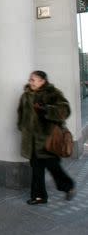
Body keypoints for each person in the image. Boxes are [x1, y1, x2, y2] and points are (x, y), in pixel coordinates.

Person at [17, 70, 76, 205]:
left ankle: (68, 186)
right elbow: (21, 113)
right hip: (32, 141)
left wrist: (46, 109)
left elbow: (65, 111)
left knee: (53, 166)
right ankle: (39, 197)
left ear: (43, 81)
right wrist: (22, 126)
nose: (30, 81)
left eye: (34, 79)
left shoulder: (53, 93)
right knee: (36, 169)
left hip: (48, 139)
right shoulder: (25, 96)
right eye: (30, 79)